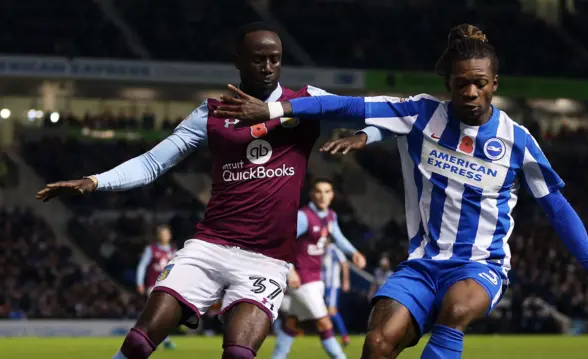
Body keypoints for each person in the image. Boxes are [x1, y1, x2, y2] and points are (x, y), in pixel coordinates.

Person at [213, 24, 588, 359]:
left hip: (479, 266)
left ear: (494, 83)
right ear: (448, 82)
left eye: (480, 83)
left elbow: (556, 206)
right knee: (377, 344)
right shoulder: (420, 113)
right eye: (461, 83)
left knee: (455, 313)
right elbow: (341, 105)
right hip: (421, 265)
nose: (470, 92)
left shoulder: (517, 140)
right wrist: (274, 108)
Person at [35, 22, 378, 359]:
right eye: (259, 59)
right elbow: (154, 163)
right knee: (139, 343)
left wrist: (366, 135)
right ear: (238, 60)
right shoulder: (211, 114)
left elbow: (373, 110)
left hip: (267, 259)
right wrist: (95, 180)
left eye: (275, 59)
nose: (268, 67)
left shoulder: (304, 102)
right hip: (210, 246)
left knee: (239, 353)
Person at [272, 178, 366, 359]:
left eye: (327, 191)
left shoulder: (331, 216)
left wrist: (354, 253)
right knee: (324, 323)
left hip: (316, 278)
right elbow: (285, 242)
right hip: (301, 278)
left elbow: (338, 237)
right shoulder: (303, 216)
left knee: (292, 323)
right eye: (318, 191)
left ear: (332, 195)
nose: (323, 196)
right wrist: (290, 269)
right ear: (311, 195)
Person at [135, 225, 177, 350]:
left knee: (165, 314)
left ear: (170, 235)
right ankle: (158, 340)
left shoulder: (174, 251)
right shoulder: (151, 249)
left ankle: (155, 338)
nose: (164, 236)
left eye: (166, 233)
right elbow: (142, 266)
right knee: (157, 312)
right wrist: (139, 282)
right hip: (154, 286)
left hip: (169, 286)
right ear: (158, 236)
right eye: (162, 234)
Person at [322, 242, 351, 346]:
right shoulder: (321, 248)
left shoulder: (333, 249)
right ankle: (330, 335)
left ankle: (344, 336)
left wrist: (346, 281)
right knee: (326, 311)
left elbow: (344, 263)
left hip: (332, 285)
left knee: (332, 311)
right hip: (323, 285)